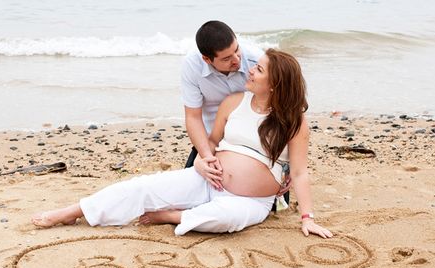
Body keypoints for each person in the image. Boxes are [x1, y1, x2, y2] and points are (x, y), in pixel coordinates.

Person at [32, 49, 333, 239]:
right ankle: (73, 212)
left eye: (259, 69)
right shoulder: (234, 102)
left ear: (275, 84)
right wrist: (201, 162)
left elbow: (301, 173)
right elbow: (212, 142)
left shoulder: (294, 123)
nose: (250, 69)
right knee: (141, 186)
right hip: (207, 181)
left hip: (251, 201)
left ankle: (171, 216)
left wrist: (308, 218)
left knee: (224, 220)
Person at [182, 20, 290, 206]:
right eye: (226, 59)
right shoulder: (192, 66)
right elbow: (193, 117)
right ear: (207, 60)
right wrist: (205, 156)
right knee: (188, 195)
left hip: (255, 143)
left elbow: (287, 109)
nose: (237, 60)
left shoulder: (257, 61)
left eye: (236, 49)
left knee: (272, 205)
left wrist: (289, 165)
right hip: (212, 139)